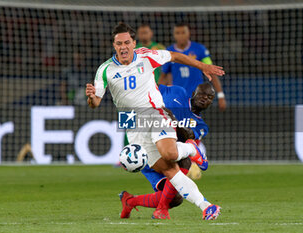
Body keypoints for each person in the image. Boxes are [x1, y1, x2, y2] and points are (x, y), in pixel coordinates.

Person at [85, 22, 224, 220]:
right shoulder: (105, 70)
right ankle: (194, 161)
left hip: (153, 112)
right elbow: (95, 103)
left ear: (133, 43)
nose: (123, 47)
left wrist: (203, 66)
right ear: (114, 45)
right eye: (118, 44)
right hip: (131, 122)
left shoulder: (146, 55)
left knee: (170, 153)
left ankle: (206, 206)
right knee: (169, 169)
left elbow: (174, 56)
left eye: (126, 42)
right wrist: (91, 97)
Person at [119, 83, 215, 219]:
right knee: (185, 163)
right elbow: (150, 87)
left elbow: (189, 135)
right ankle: (161, 209)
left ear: (211, 102)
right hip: (147, 144)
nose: (205, 98)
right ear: (194, 92)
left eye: (209, 97)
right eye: (202, 94)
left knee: (175, 198)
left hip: (167, 155)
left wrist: (171, 118)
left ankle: (130, 201)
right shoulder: (176, 92)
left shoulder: (200, 125)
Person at [159, 23, 227, 112]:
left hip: (197, 98)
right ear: (174, 35)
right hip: (177, 98)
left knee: (194, 123)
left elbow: (211, 71)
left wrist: (221, 95)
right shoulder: (169, 52)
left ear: (188, 33)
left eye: (183, 32)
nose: (181, 36)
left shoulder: (199, 49)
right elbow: (164, 76)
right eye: (177, 33)